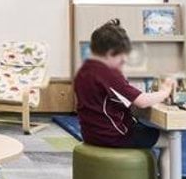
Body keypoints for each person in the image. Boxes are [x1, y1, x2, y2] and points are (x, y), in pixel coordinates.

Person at [72, 18, 176, 148]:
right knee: (170, 140)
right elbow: (142, 101)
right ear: (110, 54)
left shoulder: (84, 70)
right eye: (121, 56)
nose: (124, 60)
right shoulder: (107, 73)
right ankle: (165, 169)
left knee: (148, 133)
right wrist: (165, 91)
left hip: (91, 134)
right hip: (113, 135)